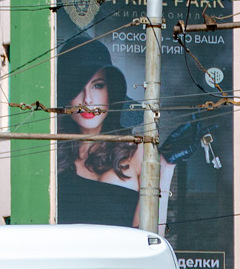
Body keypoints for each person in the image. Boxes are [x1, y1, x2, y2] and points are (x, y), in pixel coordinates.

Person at [55, 38, 181, 232]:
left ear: (111, 91)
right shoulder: (52, 152)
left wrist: (165, 166)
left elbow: (151, 237)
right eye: (77, 86)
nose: (87, 100)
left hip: (120, 262)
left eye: (97, 86)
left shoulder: (136, 151)